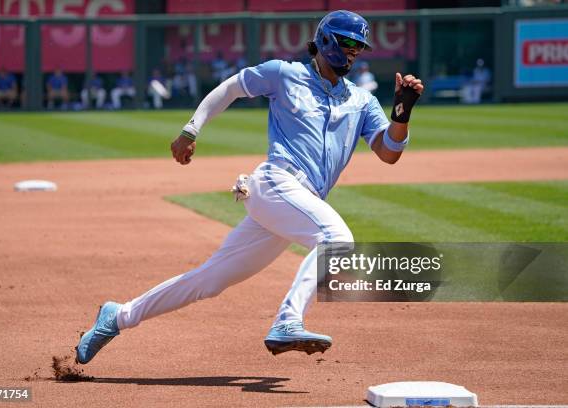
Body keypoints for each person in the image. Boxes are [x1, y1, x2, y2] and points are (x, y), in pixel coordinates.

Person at [75, 10, 424, 364]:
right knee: (336, 240)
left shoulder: (361, 100)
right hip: (276, 182)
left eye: (359, 47)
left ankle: (117, 316)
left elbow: (388, 151)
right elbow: (230, 88)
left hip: (294, 202)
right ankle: (288, 319)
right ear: (326, 39)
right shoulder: (285, 73)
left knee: (210, 280)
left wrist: (401, 112)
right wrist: (191, 129)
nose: (353, 52)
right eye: (349, 43)